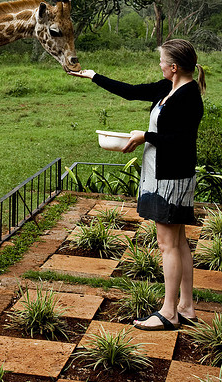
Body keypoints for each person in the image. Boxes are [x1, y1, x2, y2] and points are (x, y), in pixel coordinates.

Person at [69, 39, 206, 331]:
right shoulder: (167, 88)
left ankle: (169, 313)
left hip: (171, 177)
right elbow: (131, 92)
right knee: (178, 242)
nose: (159, 65)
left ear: (174, 66)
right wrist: (94, 76)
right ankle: (186, 307)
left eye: (162, 61)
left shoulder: (189, 97)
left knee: (167, 244)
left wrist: (145, 136)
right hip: (164, 174)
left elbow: (181, 142)